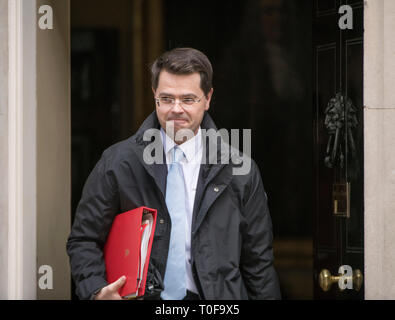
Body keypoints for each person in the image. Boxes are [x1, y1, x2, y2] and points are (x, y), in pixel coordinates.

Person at [66, 47, 281, 300]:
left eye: (188, 99)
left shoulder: (240, 170)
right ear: (154, 95)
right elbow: (83, 240)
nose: (176, 109)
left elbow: (259, 263)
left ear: (208, 98)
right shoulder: (118, 162)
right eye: (167, 98)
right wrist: (97, 290)